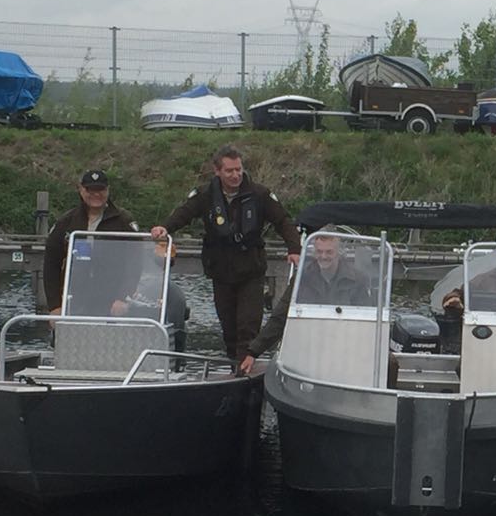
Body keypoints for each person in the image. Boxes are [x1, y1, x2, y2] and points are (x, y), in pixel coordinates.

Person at [151, 145, 301, 360]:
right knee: (228, 327)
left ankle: (246, 366)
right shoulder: (205, 195)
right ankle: (234, 365)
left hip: (250, 269)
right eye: (229, 171)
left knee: (248, 325)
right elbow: (184, 213)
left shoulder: (259, 194)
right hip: (220, 270)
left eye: (238, 169)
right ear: (217, 171)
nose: (235, 175)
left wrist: (294, 248)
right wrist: (165, 228)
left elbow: (283, 220)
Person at [238, 235, 377, 374]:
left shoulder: (358, 280)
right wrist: (253, 353)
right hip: (309, 348)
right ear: (314, 252)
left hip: (344, 348)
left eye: (329, 252)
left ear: (338, 253)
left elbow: (367, 322)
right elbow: (280, 317)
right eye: (319, 251)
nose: (323, 256)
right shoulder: (301, 279)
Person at [41, 168, 139, 316]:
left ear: (108, 190)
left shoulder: (124, 221)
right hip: (74, 300)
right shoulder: (66, 222)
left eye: (100, 189)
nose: (96, 194)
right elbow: (51, 264)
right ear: (81, 190)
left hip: (112, 303)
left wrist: (124, 297)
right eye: (90, 190)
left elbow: (135, 263)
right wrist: (54, 306)